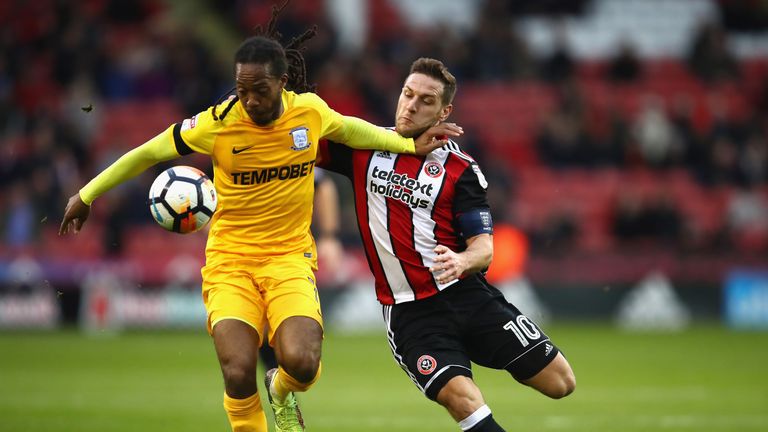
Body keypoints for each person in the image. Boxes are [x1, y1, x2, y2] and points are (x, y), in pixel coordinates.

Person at [58, 9, 463, 432]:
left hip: (289, 260)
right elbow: (148, 152)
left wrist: (409, 145)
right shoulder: (217, 123)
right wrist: (87, 195)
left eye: (260, 90)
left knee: (302, 365)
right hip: (230, 262)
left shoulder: (309, 113)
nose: (249, 99)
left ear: (282, 83)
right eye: (241, 89)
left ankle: (281, 388)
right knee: (237, 370)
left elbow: (358, 132)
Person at [317, 58, 575, 431]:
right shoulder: (364, 147)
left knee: (561, 383)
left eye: (426, 100)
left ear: (444, 111)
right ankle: (450, 358)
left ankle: (467, 346)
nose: (411, 105)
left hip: (466, 295)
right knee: (464, 398)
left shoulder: (461, 170)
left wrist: (460, 261)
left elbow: (484, 248)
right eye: (408, 94)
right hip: (412, 314)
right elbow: (300, 140)